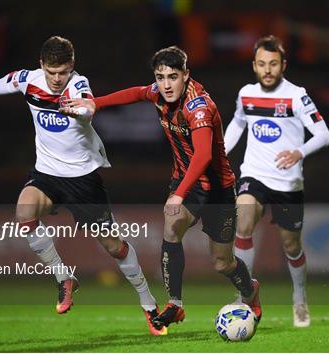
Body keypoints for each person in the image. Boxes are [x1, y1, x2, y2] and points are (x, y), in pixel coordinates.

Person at [0, 36, 167, 336]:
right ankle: (64, 277)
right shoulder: (28, 80)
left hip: (83, 179)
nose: (56, 79)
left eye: (62, 72)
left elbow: (89, 108)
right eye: (51, 72)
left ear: (71, 68)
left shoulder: (78, 84)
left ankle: (149, 305)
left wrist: (76, 110)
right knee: (24, 210)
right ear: (41, 65)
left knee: (114, 247)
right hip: (48, 173)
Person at [61, 46, 262, 329]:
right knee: (171, 223)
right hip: (186, 182)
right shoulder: (158, 92)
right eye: (160, 77)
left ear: (186, 75)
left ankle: (250, 290)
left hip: (217, 189)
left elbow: (203, 156)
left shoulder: (199, 106)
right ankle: (175, 304)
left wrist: (179, 194)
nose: (166, 84)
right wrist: (96, 103)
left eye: (172, 77)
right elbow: (135, 93)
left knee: (223, 263)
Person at [223, 35, 329, 328]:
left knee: (291, 246)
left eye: (273, 64)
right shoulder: (246, 93)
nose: (267, 70)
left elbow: (324, 134)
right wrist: (219, 153)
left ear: (283, 64)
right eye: (261, 64)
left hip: (287, 183)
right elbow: (238, 123)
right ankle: (245, 295)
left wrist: (300, 151)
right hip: (254, 174)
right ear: (254, 66)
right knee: (243, 221)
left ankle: (299, 297)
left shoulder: (297, 96)